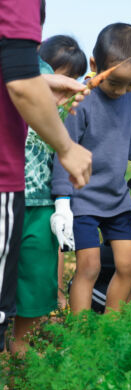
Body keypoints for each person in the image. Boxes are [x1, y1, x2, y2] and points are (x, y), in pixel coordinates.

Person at [51, 23, 131, 314]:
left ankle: (111, 324)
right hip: (83, 200)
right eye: (115, 83)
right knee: (89, 266)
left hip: (116, 199)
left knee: (129, 263)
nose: (122, 91)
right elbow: (65, 151)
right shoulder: (80, 101)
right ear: (95, 65)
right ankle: (80, 331)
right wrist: (62, 203)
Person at [0, 0, 91, 352]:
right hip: (11, 187)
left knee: (36, 278)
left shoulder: (52, 90)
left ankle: (19, 346)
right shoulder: (24, 68)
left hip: (38, 197)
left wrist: (62, 200)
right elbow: (24, 84)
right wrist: (68, 149)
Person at [39, 35, 88, 309]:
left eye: (76, 78)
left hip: (52, 191)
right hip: (20, 188)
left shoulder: (69, 111)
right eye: (65, 77)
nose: (69, 86)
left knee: (53, 245)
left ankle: (55, 297)